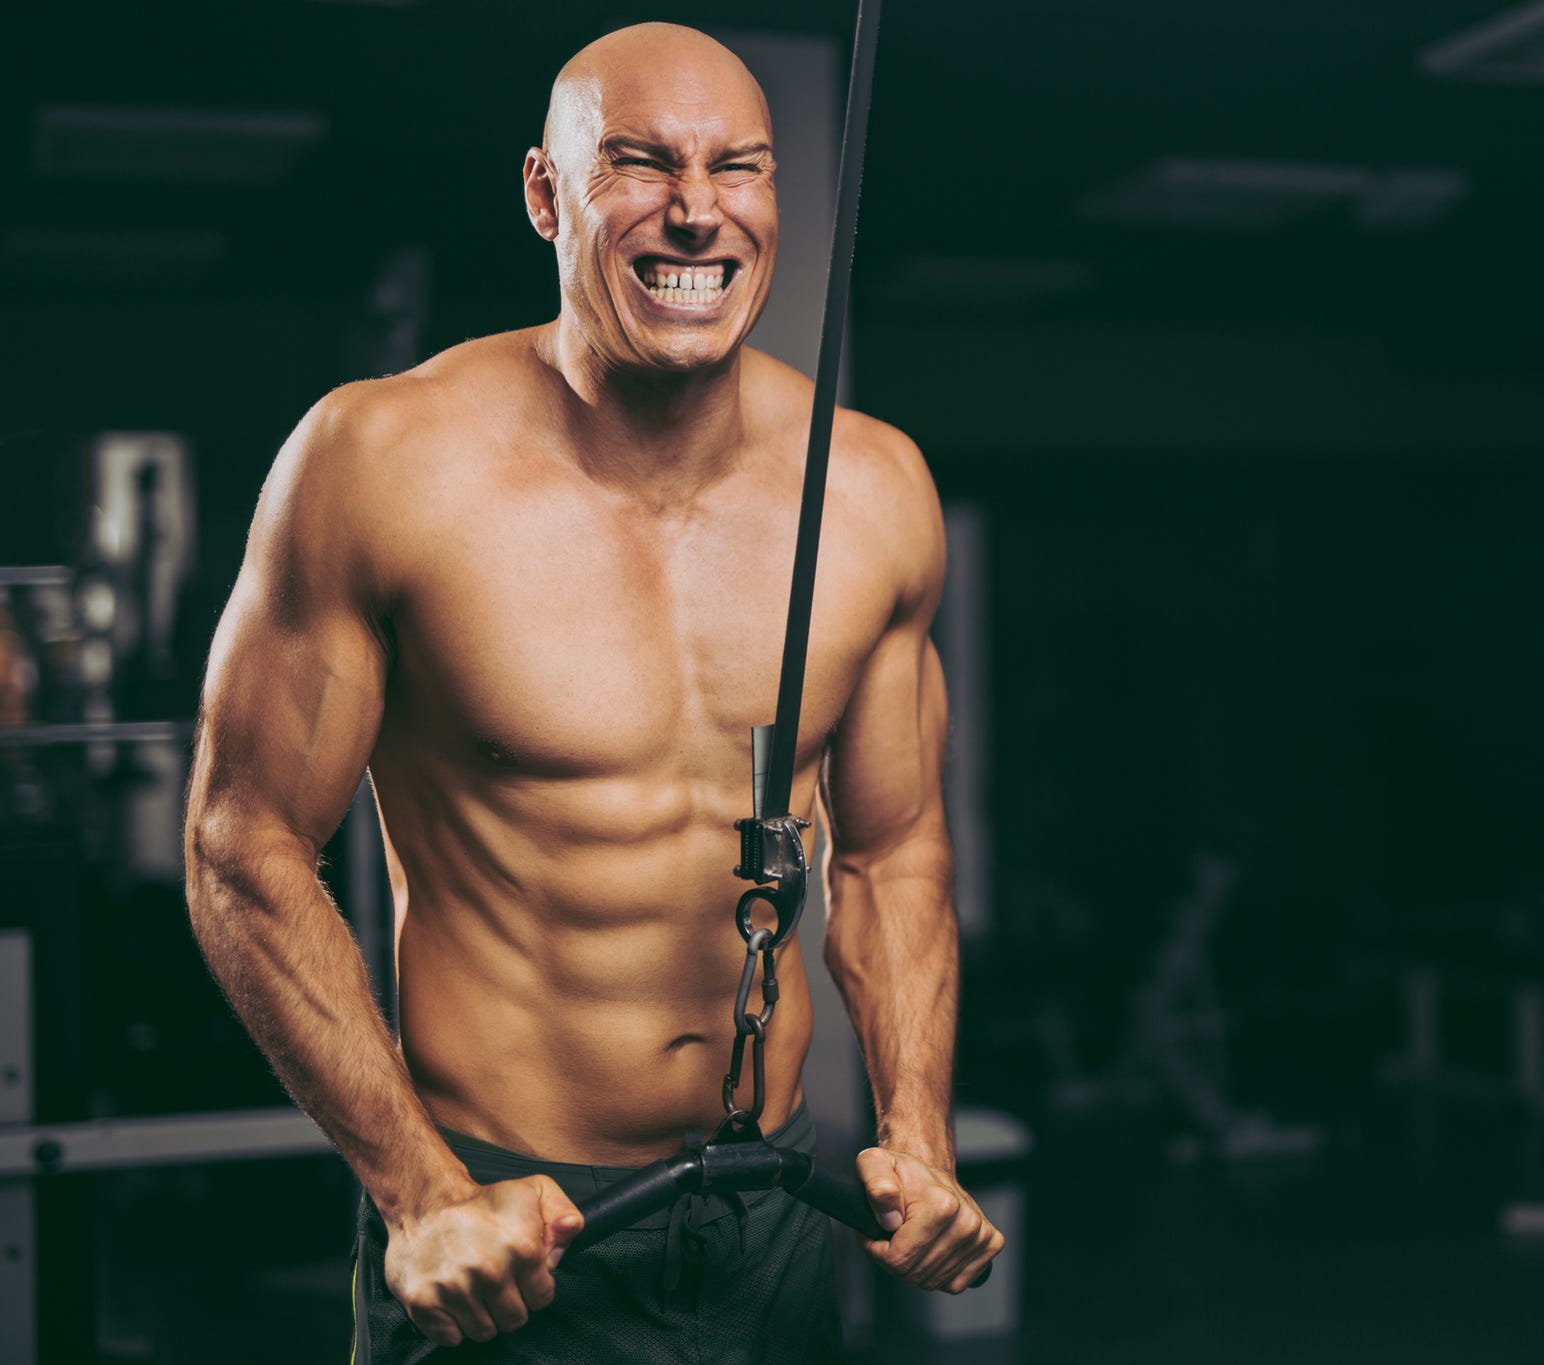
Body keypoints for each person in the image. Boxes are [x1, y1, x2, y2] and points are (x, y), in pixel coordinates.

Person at [183, 22, 1000, 1362]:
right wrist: (420, 1192)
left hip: (778, 1216)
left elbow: (897, 848)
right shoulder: (380, 462)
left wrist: (915, 1127)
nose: (696, 208)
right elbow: (239, 841)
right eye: (638, 163)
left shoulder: (868, 493)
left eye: (739, 166)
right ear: (543, 193)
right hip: (508, 1236)